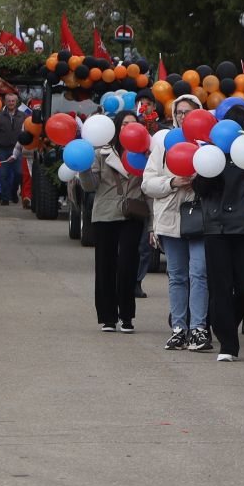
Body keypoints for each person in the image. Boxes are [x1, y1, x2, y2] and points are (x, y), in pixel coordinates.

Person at [145, 94, 210, 351]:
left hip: (199, 217)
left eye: (189, 112)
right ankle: (179, 328)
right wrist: (172, 182)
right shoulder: (163, 142)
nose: (183, 116)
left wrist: (199, 180)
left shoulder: (209, 143)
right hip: (171, 217)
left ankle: (199, 329)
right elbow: (147, 183)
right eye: (179, 112)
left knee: (199, 273)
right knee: (177, 276)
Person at [197, 102, 244, 362]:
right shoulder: (212, 153)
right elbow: (200, 188)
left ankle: (223, 326)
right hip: (217, 228)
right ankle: (227, 344)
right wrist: (211, 165)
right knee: (220, 287)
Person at [78, 115, 149, 333]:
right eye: (125, 123)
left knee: (128, 263)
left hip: (132, 213)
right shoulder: (101, 152)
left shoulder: (145, 151)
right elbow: (91, 186)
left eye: (133, 123)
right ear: (116, 127)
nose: (129, 127)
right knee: (105, 265)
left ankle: (127, 315)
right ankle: (108, 317)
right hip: (106, 213)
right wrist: (83, 168)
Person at [0, 93, 25, 205]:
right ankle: (5, 198)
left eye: (13, 101)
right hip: (4, 150)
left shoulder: (23, 116)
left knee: (19, 174)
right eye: (9, 101)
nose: (11, 103)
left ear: (16, 102)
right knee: (3, 175)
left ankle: (13, 192)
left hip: (18, 150)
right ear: (5, 102)